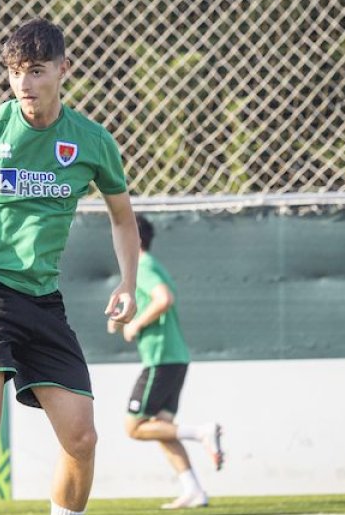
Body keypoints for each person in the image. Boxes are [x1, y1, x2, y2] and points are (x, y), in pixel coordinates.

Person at [0, 18, 140, 515]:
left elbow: (124, 220)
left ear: (65, 69)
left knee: (82, 438)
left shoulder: (91, 141)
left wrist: (129, 281)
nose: (24, 83)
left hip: (44, 302)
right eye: (15, 71)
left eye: (37, 71)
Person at [109, 215, 222, 510]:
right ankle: (194, 490)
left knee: (134, 427)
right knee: (160, 427)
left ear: (133, 239)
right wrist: (123, 320)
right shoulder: (152, 265)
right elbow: (151, 301)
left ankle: (202, 432)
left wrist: (134, 326)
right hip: (174, 358)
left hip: (161, 358)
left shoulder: (142, 266)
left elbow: (163, 299)